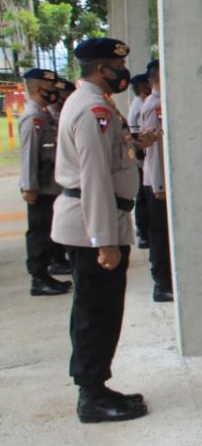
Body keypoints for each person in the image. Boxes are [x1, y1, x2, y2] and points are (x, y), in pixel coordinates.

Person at [51, 37, 147, 424]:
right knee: (97, 313)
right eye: (115, 66)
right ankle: (91, 396)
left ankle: (96, 387)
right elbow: (92, 177)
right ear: (101, 69)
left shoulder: (96, 104)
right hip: (92, 227)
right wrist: (104, 241)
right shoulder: (92, 109)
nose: (122, 73)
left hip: (95, 222)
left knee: (99, 311)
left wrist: (135, 145)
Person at [19, 68, 72, 297]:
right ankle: (38, 278)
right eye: (50, 89)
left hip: (50, 184)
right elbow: (28, 155)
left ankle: (46, 272)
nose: (54, 93)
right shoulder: (34, 117)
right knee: (39, 232)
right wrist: (29, 187)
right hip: (40, 186)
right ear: (39, 89)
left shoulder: (43, 114)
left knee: (48, 229)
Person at [137, 59, 173, 303]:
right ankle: (162, 284)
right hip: (157, 184)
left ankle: (167, 279)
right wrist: (160, 185)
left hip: (162, 181)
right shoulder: (155, 106)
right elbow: (154, 149)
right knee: (160, 234)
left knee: (166, 233)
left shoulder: (161, 103)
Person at [128, 74, 152, 248]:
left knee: (143, 196)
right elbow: (135, 137)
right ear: (143, 88)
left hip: (143, 155)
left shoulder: (140, 105)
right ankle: (143, 232)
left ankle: (143, 230)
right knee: (143, 197)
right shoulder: (140, 106)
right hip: (141, 157)